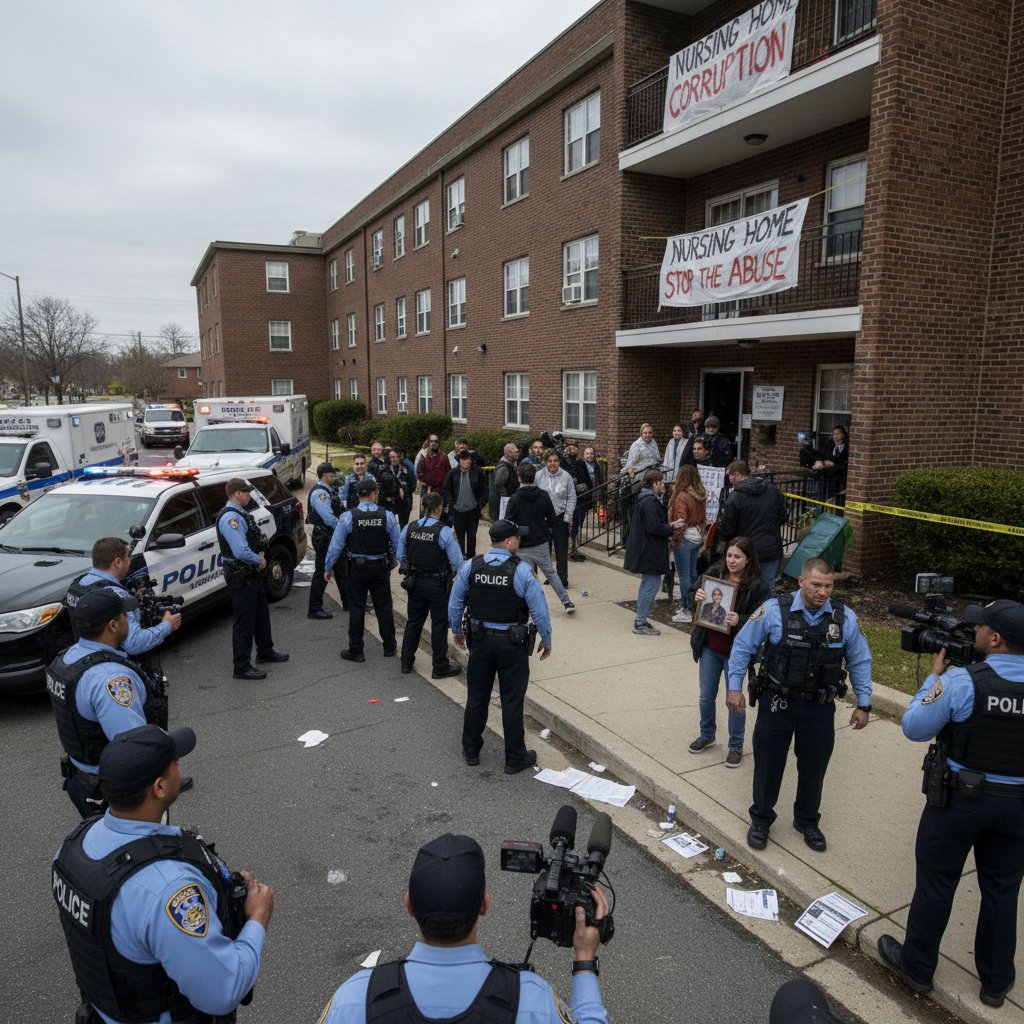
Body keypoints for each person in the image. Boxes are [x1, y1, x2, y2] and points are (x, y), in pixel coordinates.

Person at [52, 724, 273, 1024]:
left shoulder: (71, 848)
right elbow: (223, 991)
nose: (179, 768)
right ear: (159, 787)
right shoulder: (168, 890)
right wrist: (257, 919)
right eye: (175, 764)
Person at [878, 600, 1024, 1008]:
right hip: (1017, 809)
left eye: (980, 627)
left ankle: (918, 966)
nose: (974, 631)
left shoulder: (962, 682)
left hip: (959, 802)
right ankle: (995, 983)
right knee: (1002, 891)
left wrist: (933, 679)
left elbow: (914, 727)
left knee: (937, 883)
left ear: (995, 639)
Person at [315, 831, 609, 1024]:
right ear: (484, 905)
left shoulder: (354, 999)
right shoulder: (532, 1000)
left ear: (409, 906)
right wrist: (584, 959)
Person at [727, 558, 873, 852]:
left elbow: (859, 660)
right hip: (777, 703)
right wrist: (734, 687)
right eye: (816, 585)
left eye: (828, 586)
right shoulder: (773, 611)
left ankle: (807, 820)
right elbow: (743, 647)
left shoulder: (844, 618)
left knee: (814, 768)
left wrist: (864, 703)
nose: (823, 592)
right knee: (768, 764)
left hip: (819, 708)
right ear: (801, 582)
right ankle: (761, 819)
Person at [449, 520, 553, 773]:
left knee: (477, 696)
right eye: (517, 537)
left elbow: (455, 601)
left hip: (480, 641)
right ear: (507, 542)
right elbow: (539, 610)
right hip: (512, 645)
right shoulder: (522, 571)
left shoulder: (470, 566)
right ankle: (515, 758)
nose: (520, 540)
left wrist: (457, 630)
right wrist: (546, 639)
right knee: (512, 700)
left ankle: (471, 750)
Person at [49, 590, 154, 818]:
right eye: (124, 615)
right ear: (113, 626)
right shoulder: (110, 679)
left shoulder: (66, 659)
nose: (128, 619)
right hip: (114, 791)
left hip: (81, 779)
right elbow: (134, 750)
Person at [688, 538, 771, 767]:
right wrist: (696, 597)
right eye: (729, 555)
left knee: (733, 698)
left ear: (748, 559)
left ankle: (735, 746)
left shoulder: (758, 586)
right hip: (709, 646)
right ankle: (707, 734)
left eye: (737, 557)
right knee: (706, 695)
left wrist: (741, 619)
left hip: (736, 652)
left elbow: (764, 619)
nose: (731, 560)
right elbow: (692, 594)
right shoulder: (714, 573)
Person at [217, 478, 288, 681]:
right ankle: (241, 666)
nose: (250, 495)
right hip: (241, 573)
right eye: (247, 492)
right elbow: (240, 551)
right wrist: (259, 560)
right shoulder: (231, 518)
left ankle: (265, 651)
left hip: (250, 573)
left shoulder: (240, 513)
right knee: (245, 621)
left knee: (261, 614)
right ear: (237, 493)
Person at [325, 478, 401, 663]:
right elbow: (398, 544)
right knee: (384, 607)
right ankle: (389, 646)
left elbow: (336, 546)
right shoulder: (387, 516)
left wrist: (327, 567)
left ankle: (356, 650)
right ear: (375, 493)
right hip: (380, 568)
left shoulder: (348, 517)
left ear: (358, 495)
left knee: (357, 608)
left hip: (357, 569)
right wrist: (396, 562)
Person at [67, 536, 183, 654]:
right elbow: (133, 644)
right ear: (118, 562)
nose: (130, 561)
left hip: (85, 655)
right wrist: (167, 625)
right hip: (112, 659)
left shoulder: (77, 586)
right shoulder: (117, 596)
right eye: (127, 557)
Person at [397, 493, 463, 679]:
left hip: (414, 582)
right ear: (440, 509)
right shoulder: (444, 532)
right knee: (439, 624)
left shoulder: (409, 528)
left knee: (414, 622)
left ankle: (406, 662)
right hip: (437, 584)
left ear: (421, 508)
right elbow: (457, 563)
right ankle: (439, 666)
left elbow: (400, 556)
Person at [505, 463, 576, 614]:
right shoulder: (543, 495)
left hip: (522, 544)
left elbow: (508, 522)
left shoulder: (515, 498)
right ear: (534, 477)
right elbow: (552, 519)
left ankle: (532, 605)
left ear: (519, 478)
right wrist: (543, 527)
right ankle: (567, 602)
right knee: (551, 573)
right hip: (541, 542)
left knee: (528, 576)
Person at [623, 468, 685, 637]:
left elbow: (652, 525)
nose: (664, 485)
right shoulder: (650, 501)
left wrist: (670, 525)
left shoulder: (646, 499)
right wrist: (671, 528)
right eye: (661, 482)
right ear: (655, 484)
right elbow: (653, 527)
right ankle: (640, 622)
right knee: (650, 586)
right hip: (649, 551)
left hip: (646, 549)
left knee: (648, 585)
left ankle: (641, 620)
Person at [716, 460, 788, 590]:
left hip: (745, 551)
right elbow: (783, 516)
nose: (729, 479)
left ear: (737, 475)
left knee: (744, 588)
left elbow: (728, 528)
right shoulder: (773, 490)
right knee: (768, 587)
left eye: (730, 475)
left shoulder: (735, 497)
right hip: (770, 547)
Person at [668, 465, 706, 624]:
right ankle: (693, 606)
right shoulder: (700, 495)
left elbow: (681, 522)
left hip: (685, 537)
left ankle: (686, 609)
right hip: (697, 535)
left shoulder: (682, 496)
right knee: (692, 574)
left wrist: (674, 541)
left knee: (684, 576)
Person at [307, 461, 343, 619]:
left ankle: (348, 601)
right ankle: (314, 609)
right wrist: (342, 529)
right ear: (323, 476)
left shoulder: (329, 490)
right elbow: (328, 518)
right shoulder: (320, 493)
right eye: (331, 475)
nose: (334, 477)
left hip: (331, 535)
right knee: (322, 571)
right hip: (324, 536)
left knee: (342, 569)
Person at [536, 449, 576, 589]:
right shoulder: (538, 476)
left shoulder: (566, 476)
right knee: (545, 550)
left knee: (561, 550)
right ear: (545, 462)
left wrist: (568, 517)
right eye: (550, 461)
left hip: (560, 518)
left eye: (556, 460)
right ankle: (549, 577)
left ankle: (562, 579)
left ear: (559, 461)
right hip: (543, 519)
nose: (553, 463)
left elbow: (571, 498)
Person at [443, 448, 488, 558]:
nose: (466, 461)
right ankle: (460, 556)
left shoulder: (478, 472)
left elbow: (484, 490)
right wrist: (451, 503)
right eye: (463, 459)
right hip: (458, 511)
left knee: (472, 536)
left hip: (473, 511)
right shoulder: (452, 473)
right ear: (459, 461)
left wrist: (480, 505)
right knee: (459, 536)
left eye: (468, 459)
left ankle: (471, 556)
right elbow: (447, 489)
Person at [571, 445, 604, 562]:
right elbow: (576, 479)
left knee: (582, 518)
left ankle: (575, 541)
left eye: (591, 453)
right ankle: (573, 543)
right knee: (577, 518)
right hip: (580, 496)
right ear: (583, 455)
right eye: (587, 453)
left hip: (589, 496)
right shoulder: (579, 464)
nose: (590, 455)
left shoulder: (596, 465)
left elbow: (599, 480)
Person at [379, 447, 416, 528]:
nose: (395, 459)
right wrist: (398, 488)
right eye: (392, 457)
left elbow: (413, 484)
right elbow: (383, 485)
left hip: (404, 501)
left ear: (400, 457)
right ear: (389, 458)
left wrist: (408, 476)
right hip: (390, 501)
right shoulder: (385, 469)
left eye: (397, 457)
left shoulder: (406, 467)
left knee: (404, 525)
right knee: (390, 525)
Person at [812, 424, 849, 504]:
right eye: (834, 434)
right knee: (822, 498)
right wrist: (822, 463)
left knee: (837, 500)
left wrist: (833, 463)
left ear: (843, 435)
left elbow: (844, 461)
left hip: (840, 478)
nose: (835, 436)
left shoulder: (848, 447)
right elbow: (823, 456)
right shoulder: (829, 445)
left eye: (838, 434)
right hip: (827, 477)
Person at [492, 442, 521, 519]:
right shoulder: (503, 468)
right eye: (515, 452)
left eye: (517, 452)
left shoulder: (514, 464)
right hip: (506, 502)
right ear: (508, 453)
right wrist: (506, 497)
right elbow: (498, 484)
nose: (517, 454)